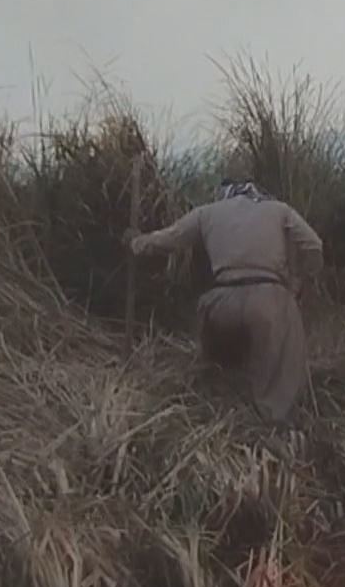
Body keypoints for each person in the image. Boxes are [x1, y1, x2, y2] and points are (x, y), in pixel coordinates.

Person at [127, 179, 322, 424]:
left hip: (221, 303)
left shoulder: (207, 213)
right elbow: (314, 245)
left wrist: (137, 242)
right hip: (268, 300)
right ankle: (271, 426)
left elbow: (170, 238)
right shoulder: (279, 210)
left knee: (219, 370)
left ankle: (215, 416)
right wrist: (297, 281)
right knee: (282, 366)